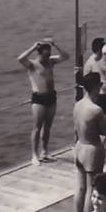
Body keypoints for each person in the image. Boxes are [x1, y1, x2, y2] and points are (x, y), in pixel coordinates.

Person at [18, 38, 69, 166]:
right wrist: (33, 47)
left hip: (51, 96)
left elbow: (65, 56)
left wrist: (55, 44)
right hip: (39, 98)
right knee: (37, 128)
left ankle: (44, 152)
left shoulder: (51, 62)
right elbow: (20, 59)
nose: (48, 56)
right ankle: (34, 155)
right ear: (39, 53)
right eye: (46, 54)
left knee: (47, 127)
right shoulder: (32, 64)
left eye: (49, 53)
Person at [73, 73, 106, 212]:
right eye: (99, 85)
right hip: (91, 149)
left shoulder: (78, 105)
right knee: (91, 189)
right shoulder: (96, 110)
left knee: (80, 187)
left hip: (79, 146)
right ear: (94, 87)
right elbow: (104, 131)